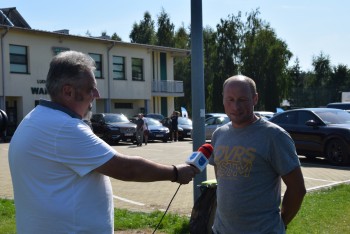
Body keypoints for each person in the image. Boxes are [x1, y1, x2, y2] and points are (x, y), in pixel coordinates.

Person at [8, 51, 198, 234]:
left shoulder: (34, 119)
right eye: (90, 88)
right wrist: (175, 172)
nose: (96, 94)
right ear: (68, 91)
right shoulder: (64, 128)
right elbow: (126, 168)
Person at [209, 75, 306, 233]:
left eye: (242, 99)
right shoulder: (219, 134)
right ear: (223, 99)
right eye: (230, 100)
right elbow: (221, 178)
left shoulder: (274, 136)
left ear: (255, 99)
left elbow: (297, 189)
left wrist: (281, 223)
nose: (235, 106)